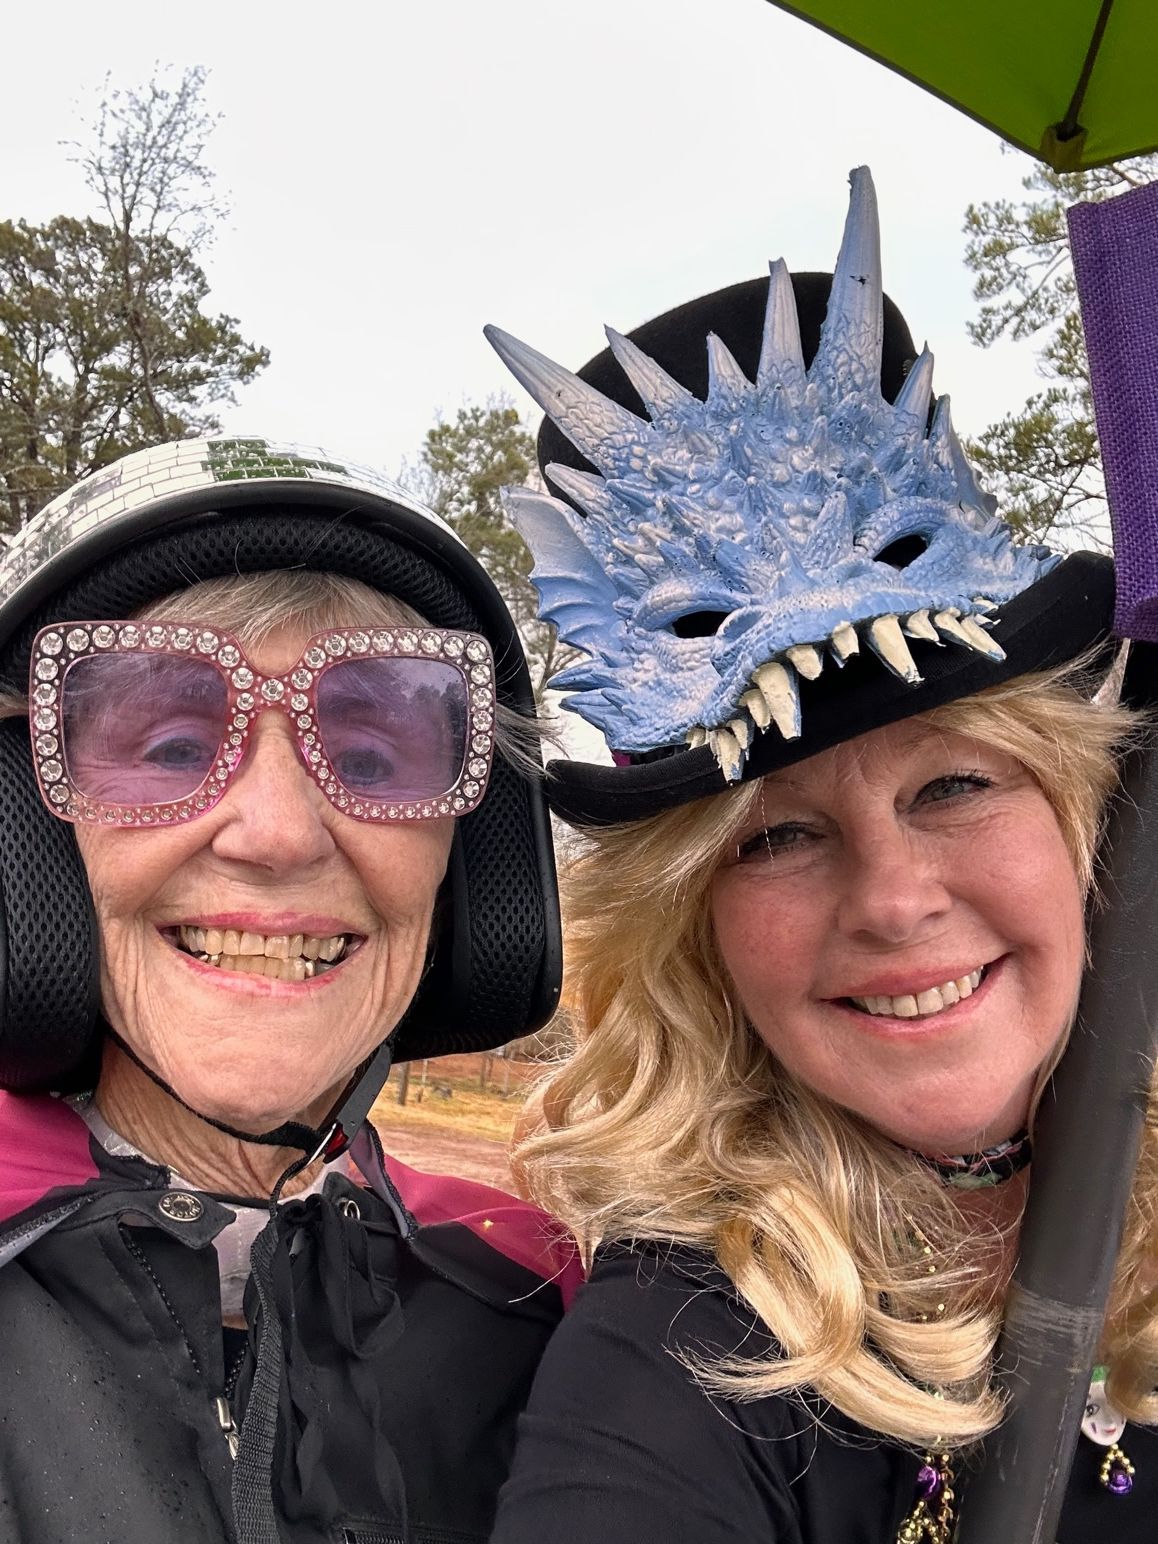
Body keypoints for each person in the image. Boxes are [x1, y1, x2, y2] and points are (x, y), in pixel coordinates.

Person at [483, 169, 1158, 1543]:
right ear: (695, 933)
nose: (897, 900)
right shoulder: (675, 1358)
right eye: (778, 835)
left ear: (1078, 817)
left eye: (956, 784)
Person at [0, 436, 578, 1544]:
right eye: (170, 746)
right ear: (26, 834)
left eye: (366, 761)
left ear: (472, 871)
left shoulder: (549, 1298)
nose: (274, 831)